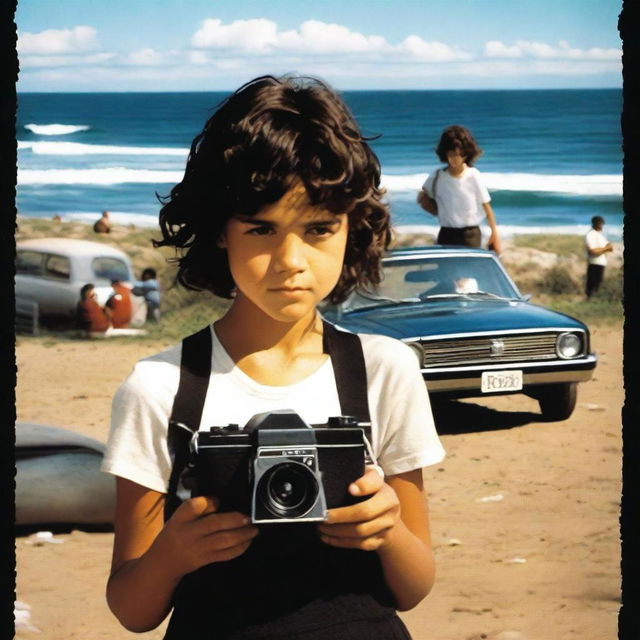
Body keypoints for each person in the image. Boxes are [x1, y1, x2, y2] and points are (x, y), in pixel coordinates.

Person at [101, 75, 446, 640]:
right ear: (219, 231)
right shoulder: (160, 388)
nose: (290, 260)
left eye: (318, 228)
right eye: (262, 228)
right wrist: (174, 553)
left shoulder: (384, 370)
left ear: (351, 227)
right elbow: (132, 610)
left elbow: (412, 587)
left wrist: (388, 530)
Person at [417, 125, 501, 254]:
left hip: (471, 234)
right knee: (447, 271)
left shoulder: (473, 175)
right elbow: (422, 196)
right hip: (446, 233)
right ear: (444, 153)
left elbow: (486, 206)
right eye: (450, 154)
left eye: (457, 155)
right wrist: (436, 210)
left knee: (468, 271)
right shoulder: (437, 176)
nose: (453, 159)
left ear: (465, 154)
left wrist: (494, 234)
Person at [585, 215, 613, 298]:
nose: (602, 226)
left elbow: (610, 247)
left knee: (598, 285)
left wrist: (602, 249)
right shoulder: (590, 235)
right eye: (601, 224)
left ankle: (594, 301)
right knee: (592, 286)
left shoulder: (600, 235)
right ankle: (590, 302)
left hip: (601, 263)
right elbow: (592, 251)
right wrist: (605, 249)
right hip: (594, 263)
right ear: (596, 224)